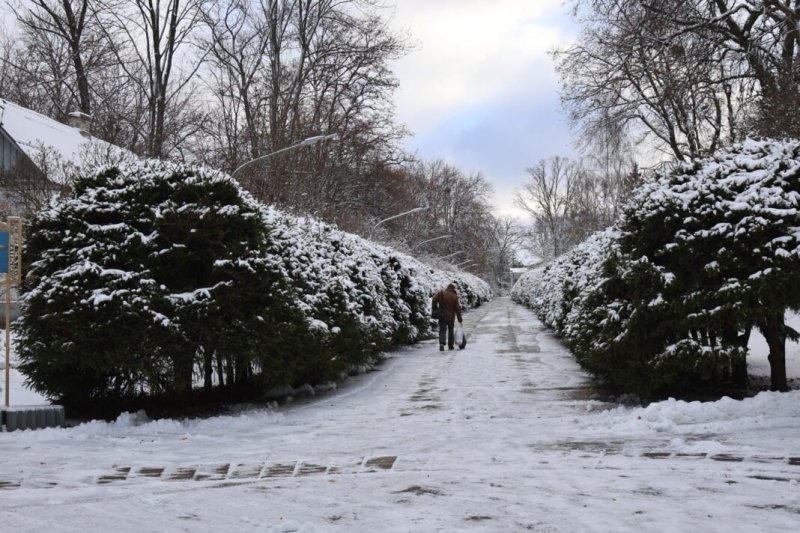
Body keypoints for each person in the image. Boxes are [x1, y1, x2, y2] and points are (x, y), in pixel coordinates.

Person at [431, 283, 463, 351]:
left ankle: (442, 343)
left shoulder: (441, 293)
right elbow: (457, 308)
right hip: (451, 317)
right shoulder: (454, 296)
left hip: (442, 315)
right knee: (451, 331)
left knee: (442, 330)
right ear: (453, 289)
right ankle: (450, 346)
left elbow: (434, 299)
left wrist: (435, 307)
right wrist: (459, 318)